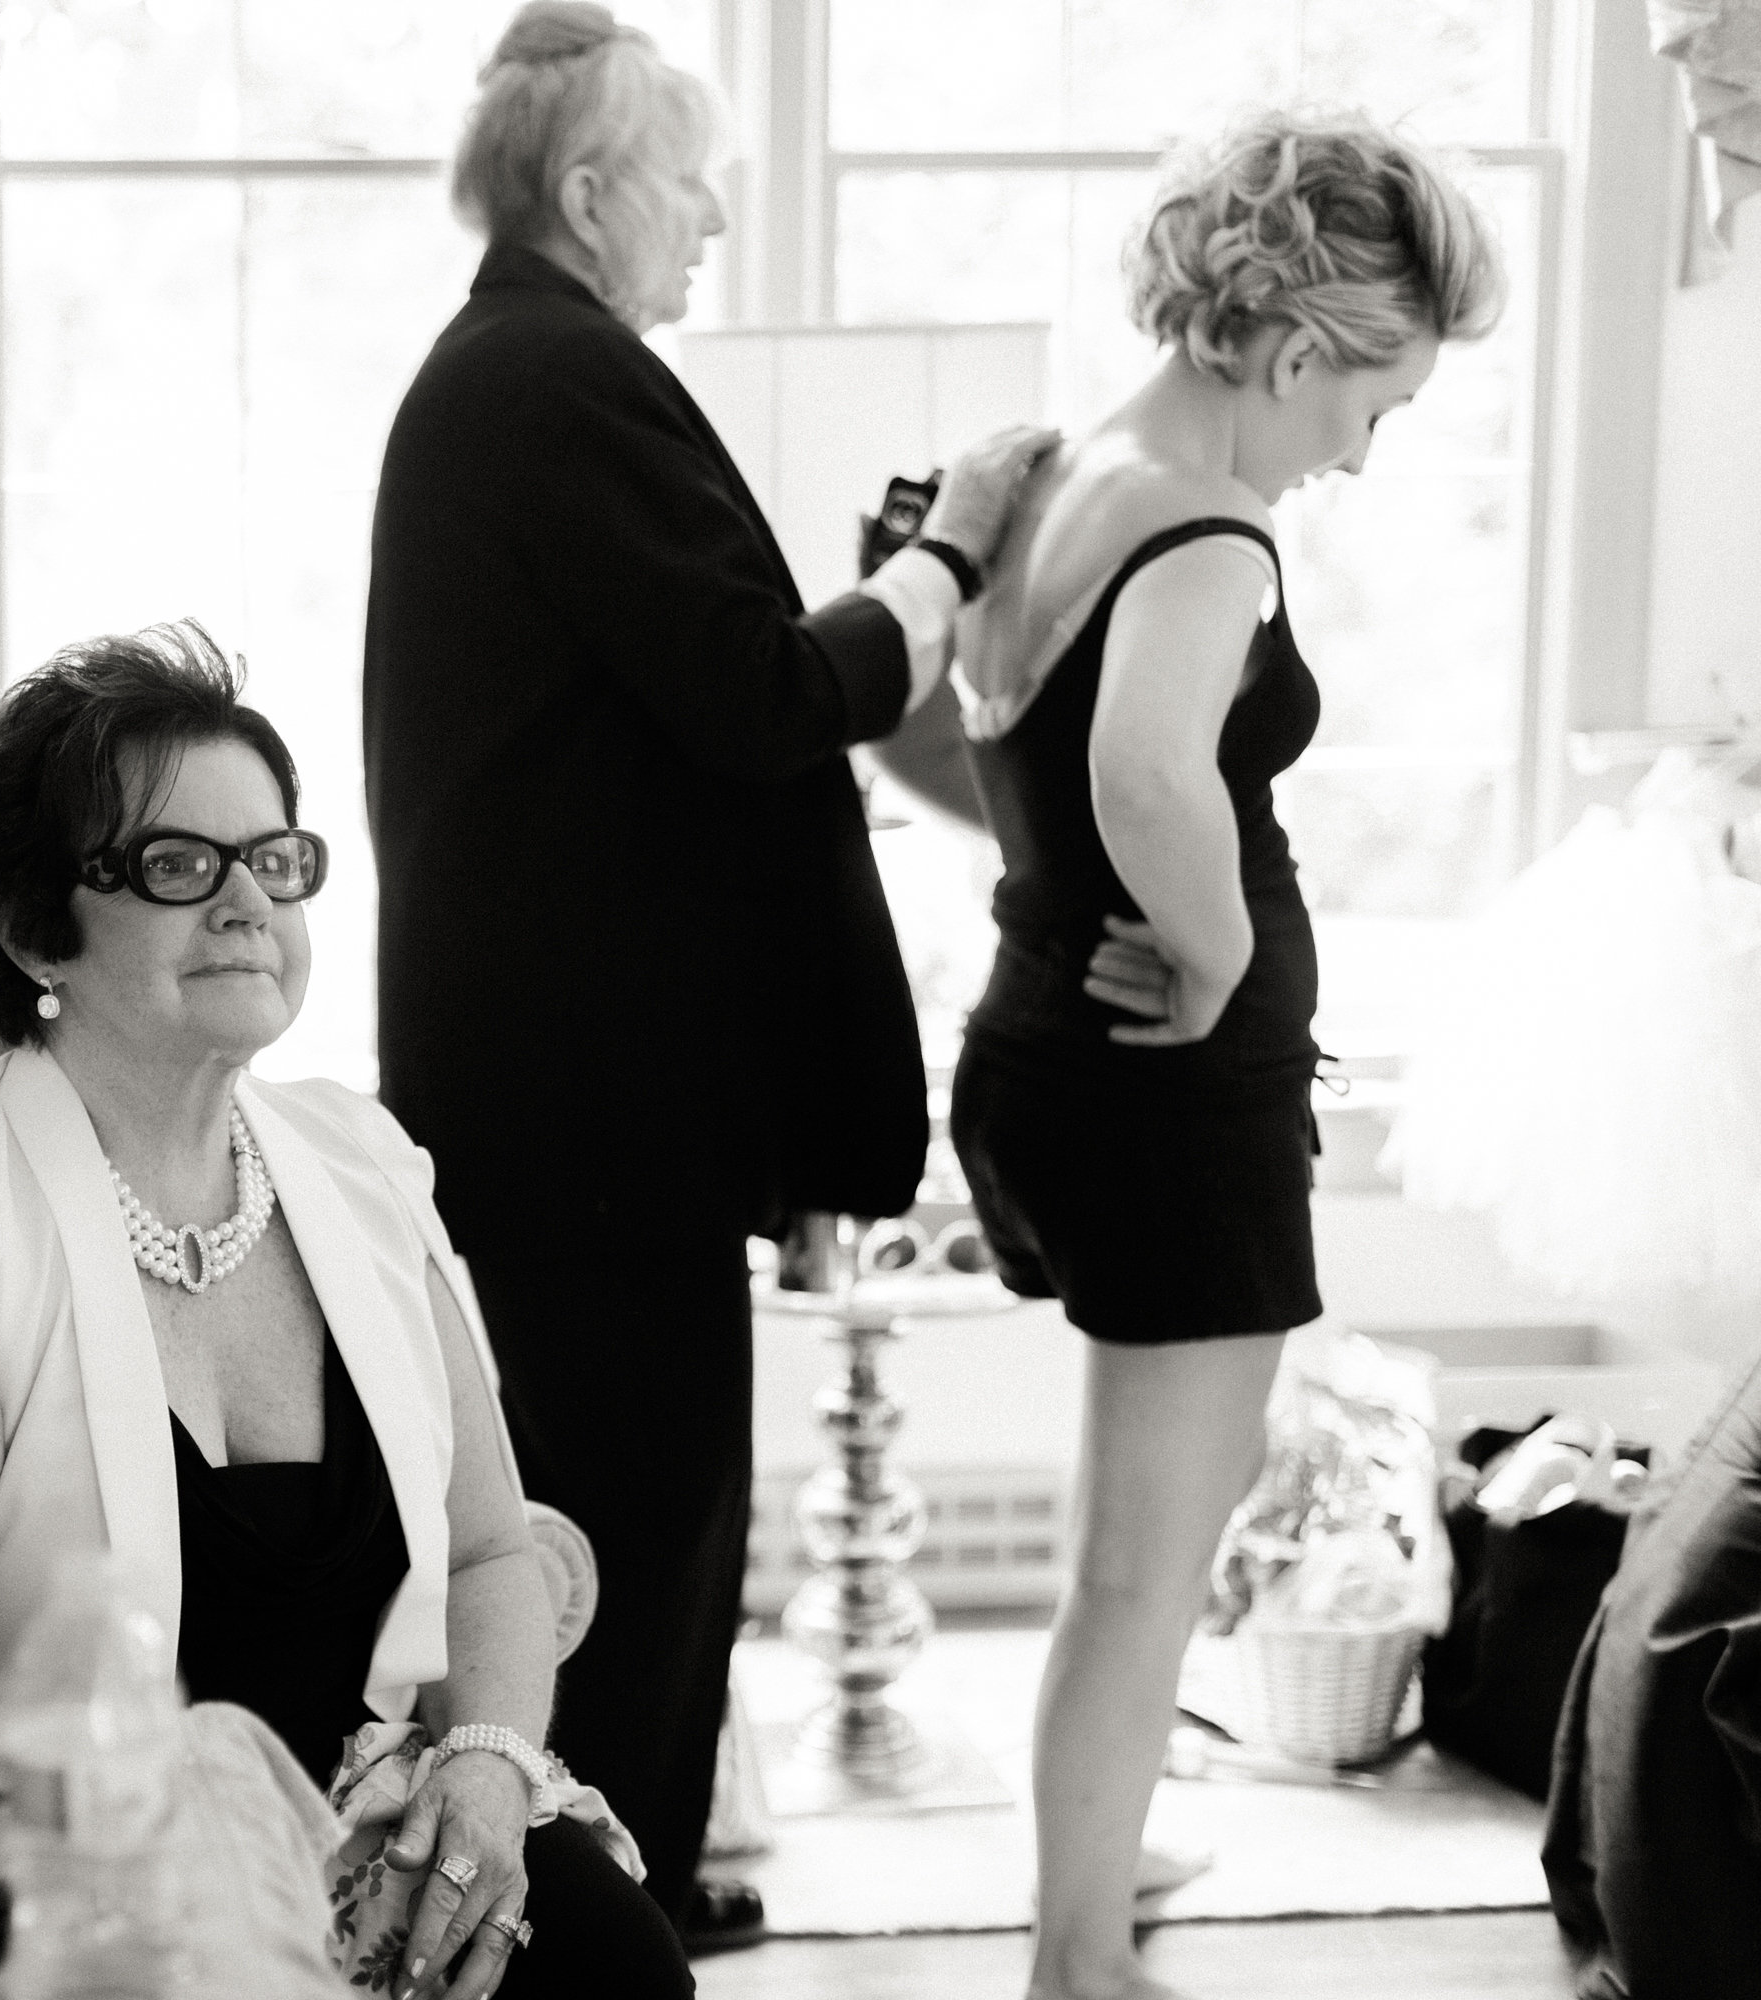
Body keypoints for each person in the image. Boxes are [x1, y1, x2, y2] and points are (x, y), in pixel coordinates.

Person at [0, 625, 691, 2000]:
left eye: (274, 860)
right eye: (177, 865)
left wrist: (485, 1769)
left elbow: (487, 1555)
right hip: (76, 1900)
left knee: (621, 1968)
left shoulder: (360, 1167)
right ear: (30, 928)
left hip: (381, 1835)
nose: (247, 905)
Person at [363, 1, 1052, 1949]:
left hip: (577, 1086)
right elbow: (764, 694)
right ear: (593, 191)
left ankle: (622, 1877)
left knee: (645, 1510)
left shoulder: (528, 370)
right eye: (694, 186)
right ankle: (593, 1911)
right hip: (584, 1104)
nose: (718, 224)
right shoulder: (552, 376)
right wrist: (951, 558)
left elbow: (688, 695)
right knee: (623, 1518)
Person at [940, 112, 1500, 2000]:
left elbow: (977, 751)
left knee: (1130, 1538)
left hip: (1045, 1048)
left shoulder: (1054, 481)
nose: (1357, 455)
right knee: (1140, 1565)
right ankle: (1078, 1959)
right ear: (1293, 347)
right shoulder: (1208, 526)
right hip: (1164, 1095)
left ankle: (1102, 1855)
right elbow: (1143, 774)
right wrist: (1224, 952)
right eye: (1373, 406)